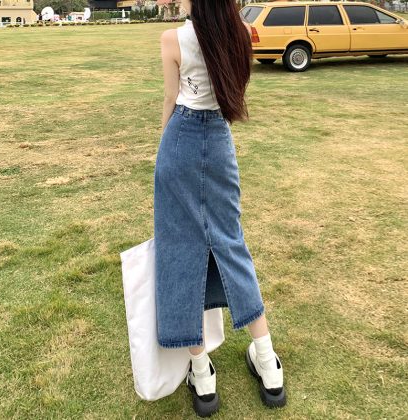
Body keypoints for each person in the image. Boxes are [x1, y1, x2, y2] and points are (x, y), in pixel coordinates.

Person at [154, 0, 286, 416]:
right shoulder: (240, 33)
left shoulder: (172, 38)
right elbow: (233, 93)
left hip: (180, 140)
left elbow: (171, 99)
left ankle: (202, 373)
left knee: (180, 249)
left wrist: (163, 151)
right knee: (231, 243)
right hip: (219, 139)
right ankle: (267, 362)